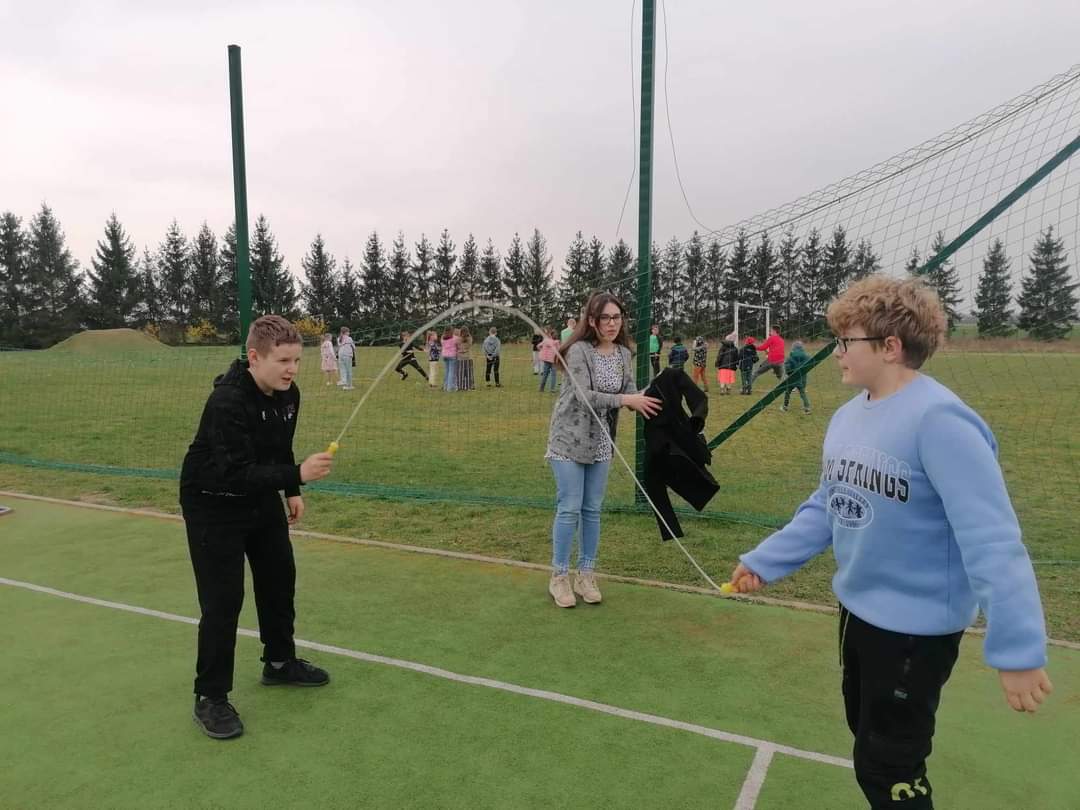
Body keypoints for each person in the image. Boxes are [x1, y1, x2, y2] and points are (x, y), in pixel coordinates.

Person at [727, 276, 1052, 809]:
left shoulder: (941, 421)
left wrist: (1017, 650)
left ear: (890, 346)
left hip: (915, 634)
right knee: (867, 739)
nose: (836, 352)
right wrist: (765, 561)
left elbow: (992, 538)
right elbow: (828, 505)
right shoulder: (847, 416)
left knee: (890, 768)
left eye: (846, 341)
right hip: (858, 616)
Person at [179, 315, 334, 740]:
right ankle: (210, 697)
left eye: (296, 360)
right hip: (212, 504)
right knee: (223, 600)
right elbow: (235, 471)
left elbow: (279, 446)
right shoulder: (226, 402)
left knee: (279, 578)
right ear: (254, 357)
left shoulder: (289, 394)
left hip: (258, 497)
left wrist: (291, 490)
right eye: (283, 361)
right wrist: (297, 473)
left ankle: (280, 662)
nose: (292, 369)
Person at [545, 292, 661, 607]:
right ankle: (559, 577)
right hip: (568, 439)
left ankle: (586, 575)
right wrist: (627, 400)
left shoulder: (624, 353)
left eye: (616, 317)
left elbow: (628, 392)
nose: (612, 324)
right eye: (605, 318)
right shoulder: (579, 351)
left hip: (601, 441)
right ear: (593, 321)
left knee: (592, 509)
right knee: (570, 507)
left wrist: (645, 396)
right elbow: (585, 396)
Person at [749, 325, 785, 390]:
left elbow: (763, 347)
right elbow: (777, 351)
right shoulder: (782, 340)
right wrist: (768, 353)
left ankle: (747, 387)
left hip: (771, 361)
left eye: (770, 330)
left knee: (757, 372)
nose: (769, 331)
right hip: (780, 362)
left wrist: (754, 347)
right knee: (780, 376)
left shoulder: (771, 338)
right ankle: (789, 387)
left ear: (774, 331)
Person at [780, 340, 812, 414]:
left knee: (787, 392)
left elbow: (787, 368)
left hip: (792, 378)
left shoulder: (790, 357)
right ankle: (807, 408)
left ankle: (785, 407)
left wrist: (789, 373)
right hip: (802, 379)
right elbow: (809, 365)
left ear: (793, 347)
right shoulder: (807, 357)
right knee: (802, 393)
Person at [537, 328, 560, 393]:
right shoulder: (556, 342)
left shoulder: (546, 341)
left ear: (550, 335)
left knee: (545, 374)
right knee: (553, 375)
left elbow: (538, 346)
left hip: (546, 360)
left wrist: (542, 350)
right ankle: (552, 389)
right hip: (553, 361)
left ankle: (541, 388)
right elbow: (559, 350)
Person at [337, 326, 356, 391]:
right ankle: (349, 386)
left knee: (342, 369)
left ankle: (343, 381)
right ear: (346, 332)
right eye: (348, 332)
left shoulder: (338, 338)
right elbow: (354, 347)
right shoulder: (349, 338)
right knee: (349, 370)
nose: (349, 333)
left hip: (340, 355)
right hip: (347, 355)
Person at [440, 327, 458, 392]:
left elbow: (442, 345)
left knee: (446, 371)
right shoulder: (455, 338)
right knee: (451, 372)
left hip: (444, 355)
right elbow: (458, 345)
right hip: (452, 356)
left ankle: (445, 387)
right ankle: (449, 388)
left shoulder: (442, 338)